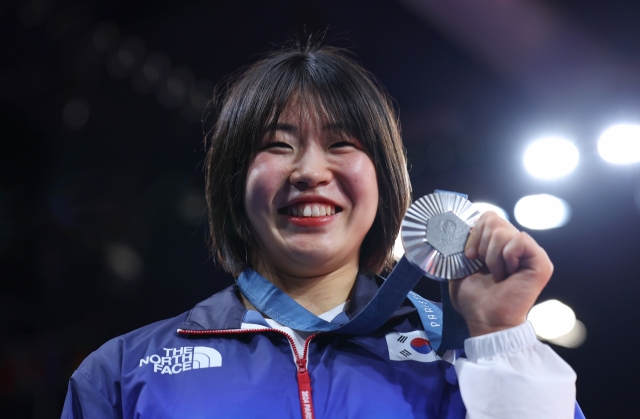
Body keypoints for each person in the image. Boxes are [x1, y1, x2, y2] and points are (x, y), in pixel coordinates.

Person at [61, 43, 582, 418]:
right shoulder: (124, 374)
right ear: (233, 184)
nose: (310, 171)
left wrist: (498, 339)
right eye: (277, 145)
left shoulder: (459, 355)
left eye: (341, 144)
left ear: (383, 179)